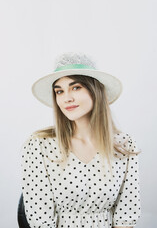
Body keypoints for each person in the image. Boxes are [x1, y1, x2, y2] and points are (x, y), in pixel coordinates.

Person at [20, 52, 142, 228]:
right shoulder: (39, 145)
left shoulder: (124, 145)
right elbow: (40, 220)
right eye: (59, 91)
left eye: (75, 87)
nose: (66, 98)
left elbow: (126, 215)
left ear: (95, 90)